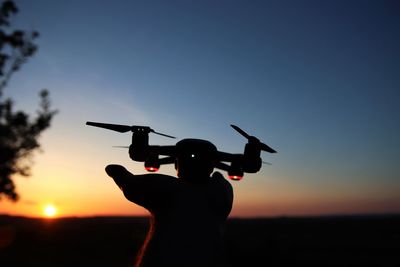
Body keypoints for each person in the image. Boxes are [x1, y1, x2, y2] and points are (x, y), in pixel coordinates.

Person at [105, 139, 234, 267]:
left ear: (177, 164)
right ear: (211, 165)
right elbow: (218, 176)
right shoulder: (223, 190)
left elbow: (116, 172)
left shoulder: (164, 187)